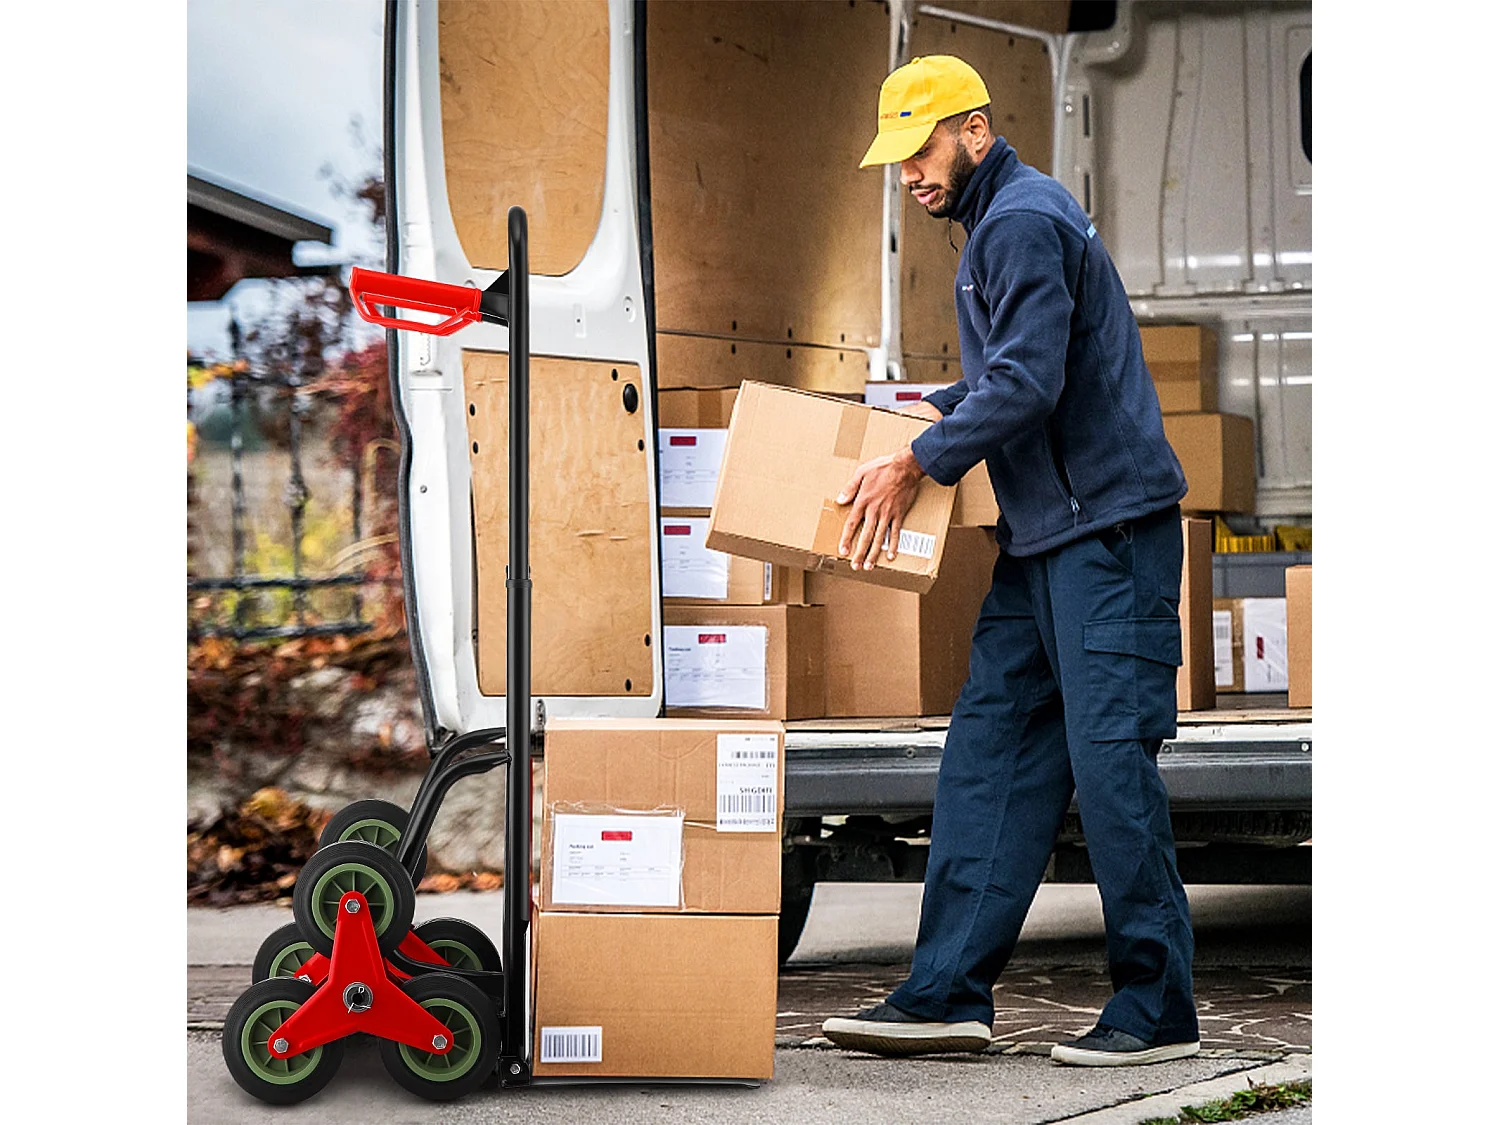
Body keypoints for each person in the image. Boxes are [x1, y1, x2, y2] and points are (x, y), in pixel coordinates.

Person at [820, 55, 1200, 1067]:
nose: (907, 174)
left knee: (1112, 769)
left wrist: (917, 458)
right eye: (896, 160)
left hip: (1107, 538)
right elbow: (1008, 377)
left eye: (921, 150)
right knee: (989, 756)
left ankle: (1157, 1009)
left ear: (974, 131)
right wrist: (914, 414)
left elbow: (1029, 382)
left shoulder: (1021, 220)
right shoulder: (995, 227)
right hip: (1041, 544)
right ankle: (947, 993)